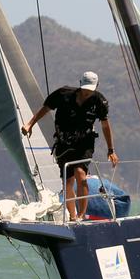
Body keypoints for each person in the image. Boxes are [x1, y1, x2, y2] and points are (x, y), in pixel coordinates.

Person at [21, 70, 119, 222]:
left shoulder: (99, 101)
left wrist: (111, 149)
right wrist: (30, 124)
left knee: (81, 174)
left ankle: (81, 215)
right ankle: (72, 216)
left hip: (84, 143)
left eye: (90, 90)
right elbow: (45, 109)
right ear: (80, 84)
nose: (87, 93)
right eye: (85, 90)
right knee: (68, 180)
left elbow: (106, 126)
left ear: (97, 86)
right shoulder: (63, 94)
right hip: (63, 142)